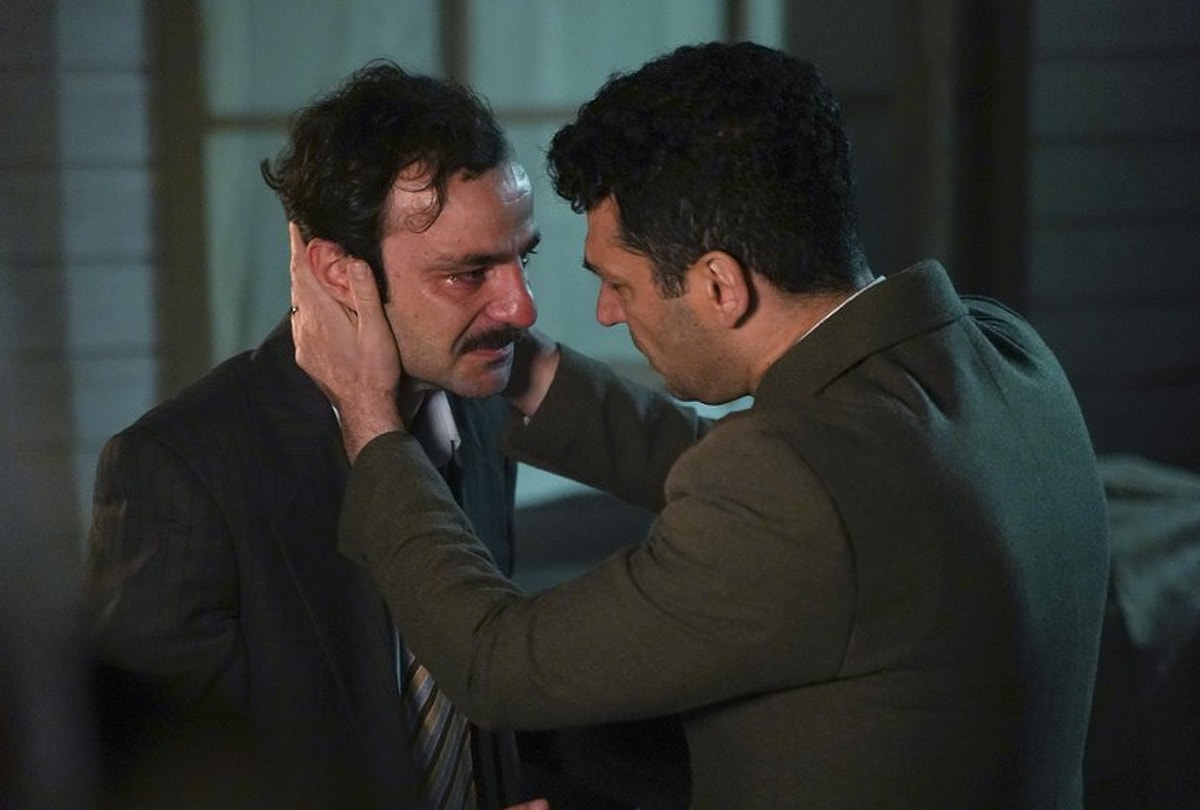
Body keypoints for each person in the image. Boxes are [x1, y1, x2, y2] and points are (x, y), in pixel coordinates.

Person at [291, 42, 1111, 808]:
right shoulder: (1003, 356)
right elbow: (781, 488)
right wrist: (520, 365)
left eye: (620, 284)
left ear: (720, 285)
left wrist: (371, 421)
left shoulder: (795, 488)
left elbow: (494, 664)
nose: (606, 314)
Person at [85, 59, 571, 809]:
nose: (523, 307)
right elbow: (161, 789)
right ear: (341, 275)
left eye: (522, 257)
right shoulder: (178, 469)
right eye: (468, 273)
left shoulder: (478, 412)